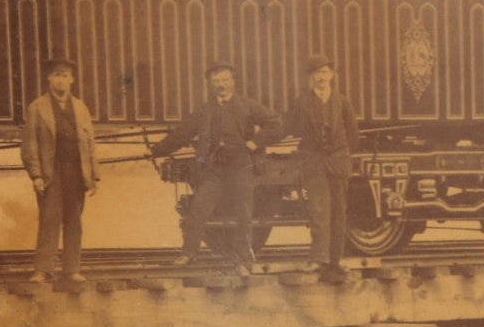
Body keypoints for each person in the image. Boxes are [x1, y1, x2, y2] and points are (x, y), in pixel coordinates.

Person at [151, 62, 281, 276]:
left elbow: (275, 123)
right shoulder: (205, 110)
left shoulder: (248, 106)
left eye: (224, 80)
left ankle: (243, 259)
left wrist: (254, 143)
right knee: (198, 209)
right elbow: (182, 134)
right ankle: (189, 253)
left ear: (233, 81)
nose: (221, 85)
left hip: (241, 166)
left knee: (244, 212)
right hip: (215, 170)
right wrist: (156, 150)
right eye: (216, 81)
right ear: (211, 85)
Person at [21, 58, 100, 284]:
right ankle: (42, 270)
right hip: (50, 172)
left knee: (74, 220)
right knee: (49, 219)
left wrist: (94, 175)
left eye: (65, 75)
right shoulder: (37, 108)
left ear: (72, 80)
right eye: (56, 75)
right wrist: (36, 175)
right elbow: (30, 145)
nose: (60, 79)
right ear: (48, 78)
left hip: (76, 172)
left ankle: (72, 269)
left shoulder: (81, 108)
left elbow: (90, 143)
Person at [282, 54, 358, 271]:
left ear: (332, 75)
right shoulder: (302, 102)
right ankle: (318, 258)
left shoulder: (342, 101)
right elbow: (287, 126)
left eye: (325, 73)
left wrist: (340, 154)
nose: (321, 78)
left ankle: (336, 259)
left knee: (339, 212)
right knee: (318, 211)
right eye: (317, 74)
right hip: (314, 163)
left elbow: (353, 136)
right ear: (311, 78)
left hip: (337, 162)